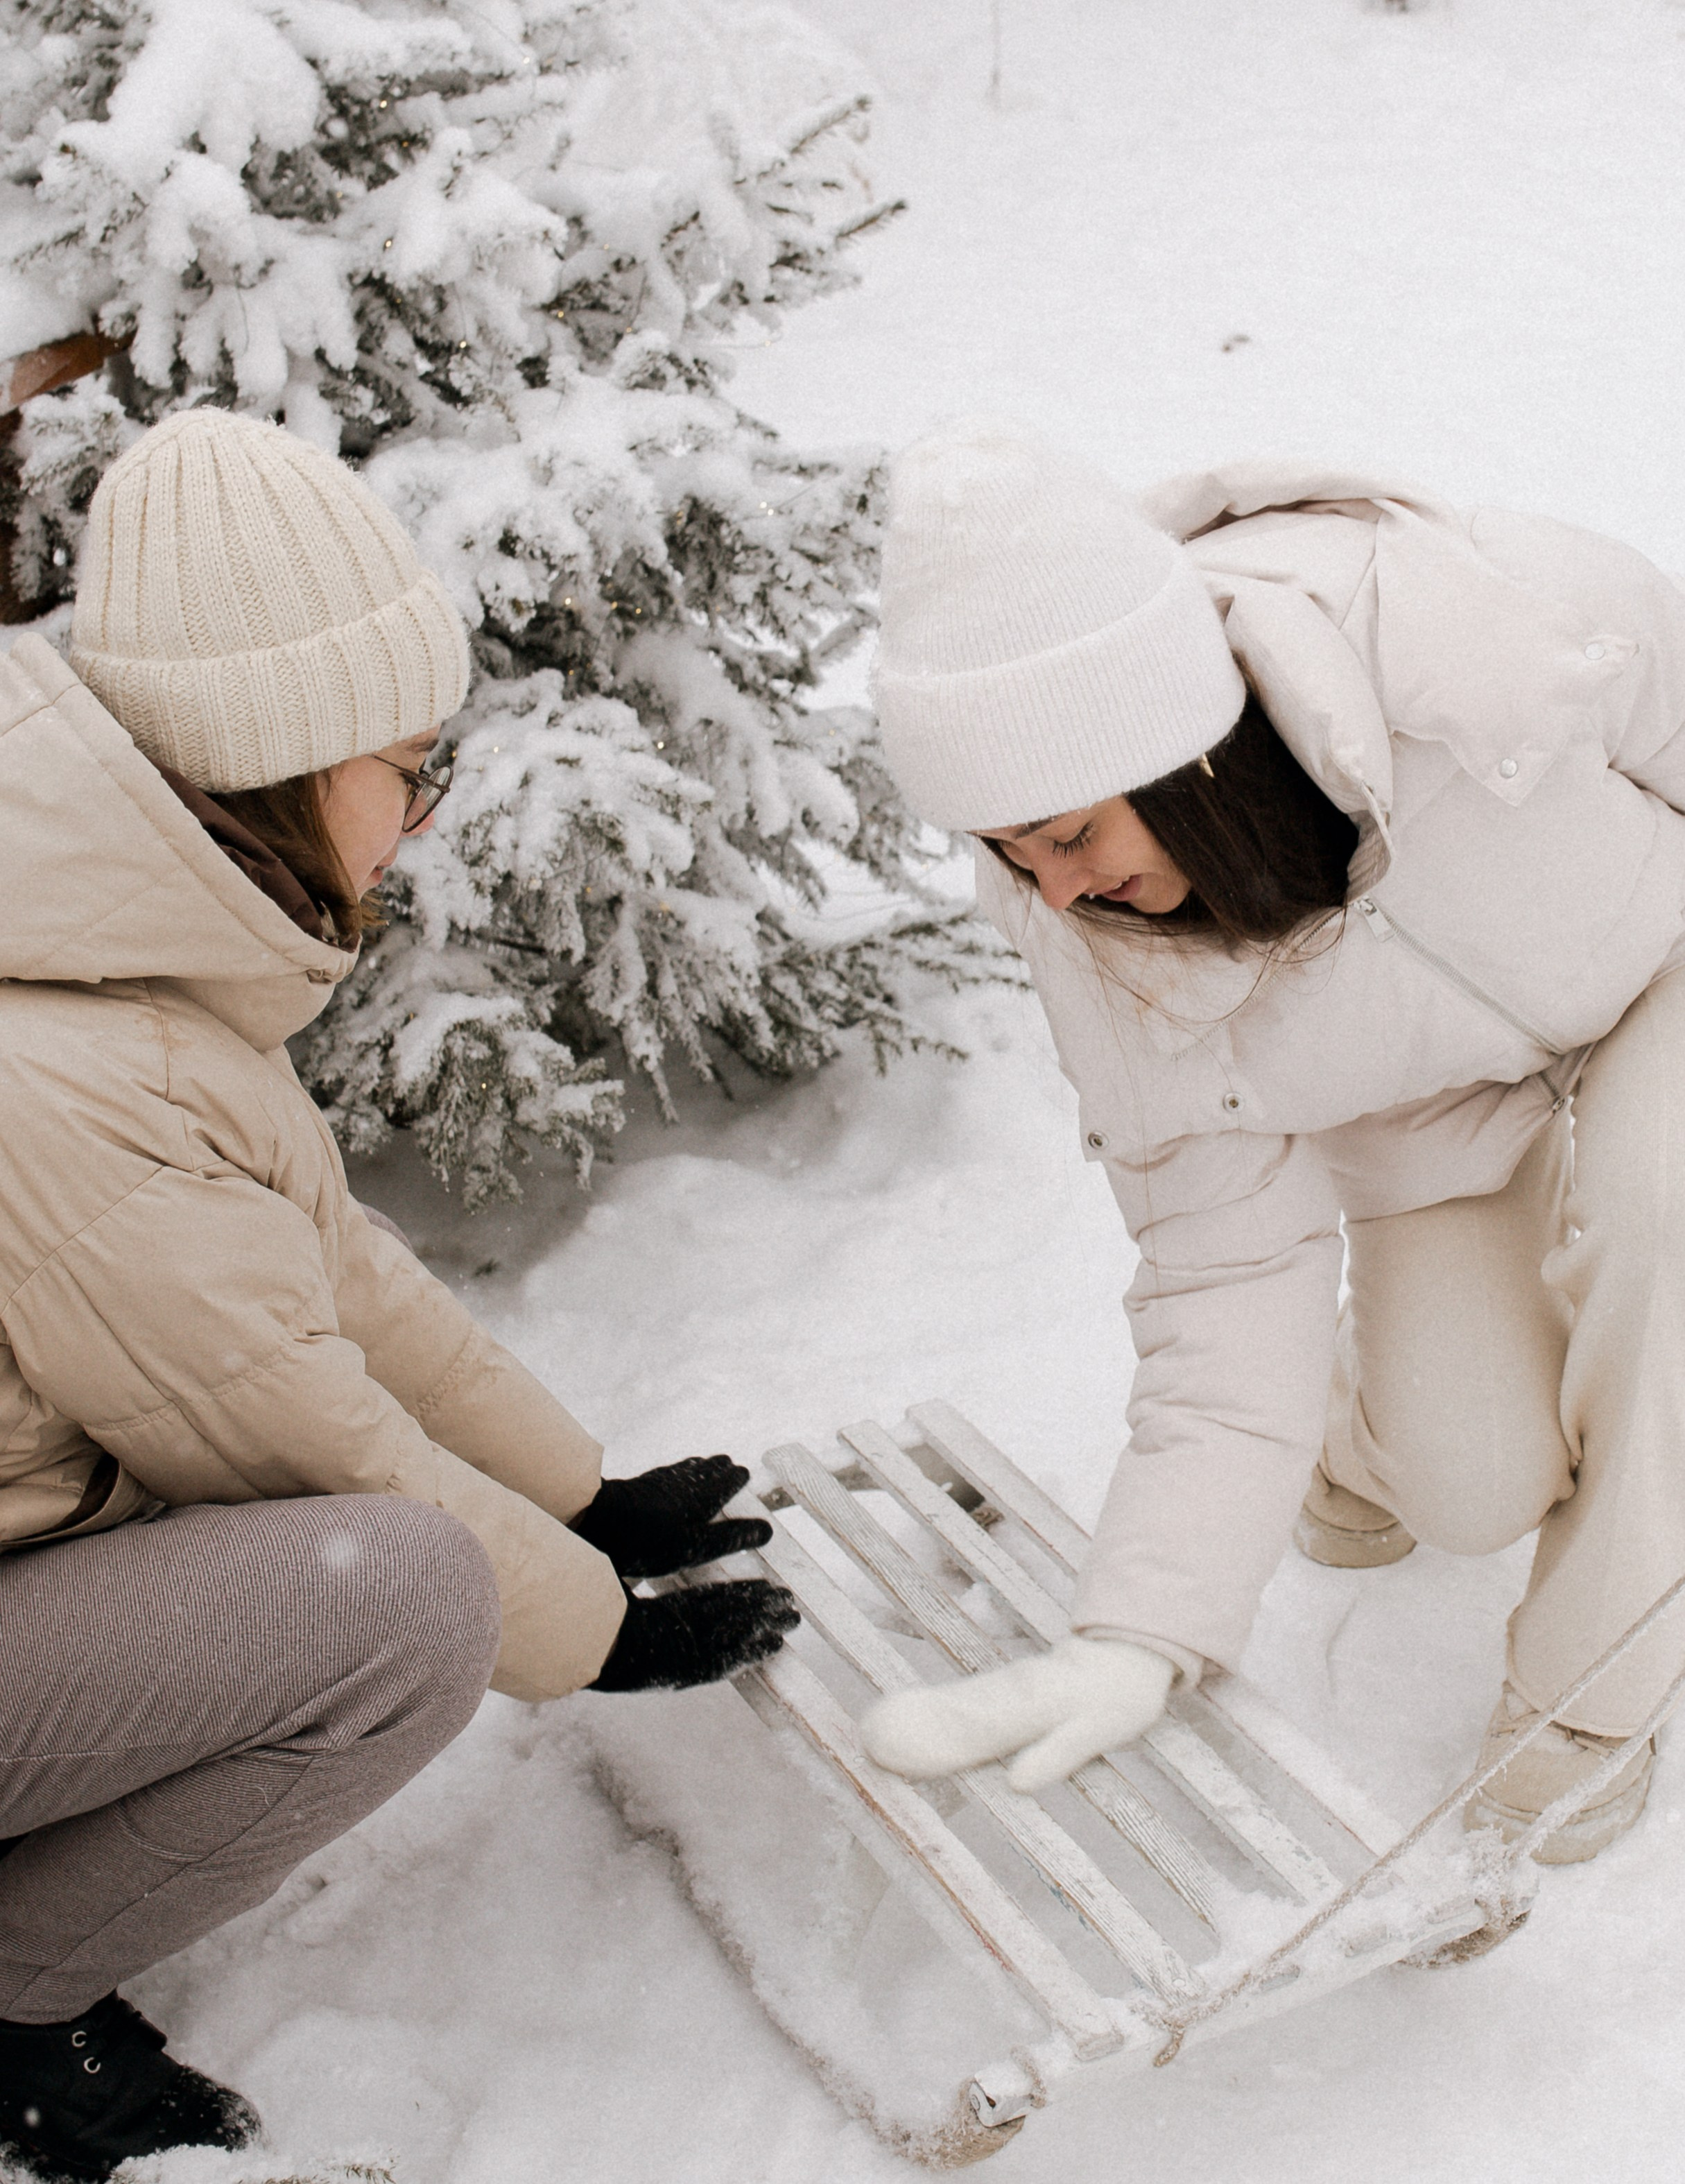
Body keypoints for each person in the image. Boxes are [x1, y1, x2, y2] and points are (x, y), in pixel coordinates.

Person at [0, 408, 797, 2183]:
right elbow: (296, 1433)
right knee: (402, 1603)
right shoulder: (54, 1071)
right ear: (275, 761)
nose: (424, 817)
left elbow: (325, 1270)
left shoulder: (97, 948)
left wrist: (581, 1489)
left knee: (422, 1561)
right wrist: (594, 1623)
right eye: (404, 765)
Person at [859, 422, 1685, 1866]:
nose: (1051, 894)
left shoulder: (1458, 621)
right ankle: (1366, 1433)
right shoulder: (1109, 957)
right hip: (1442, 1115)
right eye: (1007, 855)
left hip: (1660, 979)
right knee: (1473, 1477)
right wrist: (1143, 1628)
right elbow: (1217, 1272)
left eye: (1065, 831)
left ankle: (1590, 1693)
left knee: (1662, 1225)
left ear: (1182, 752)